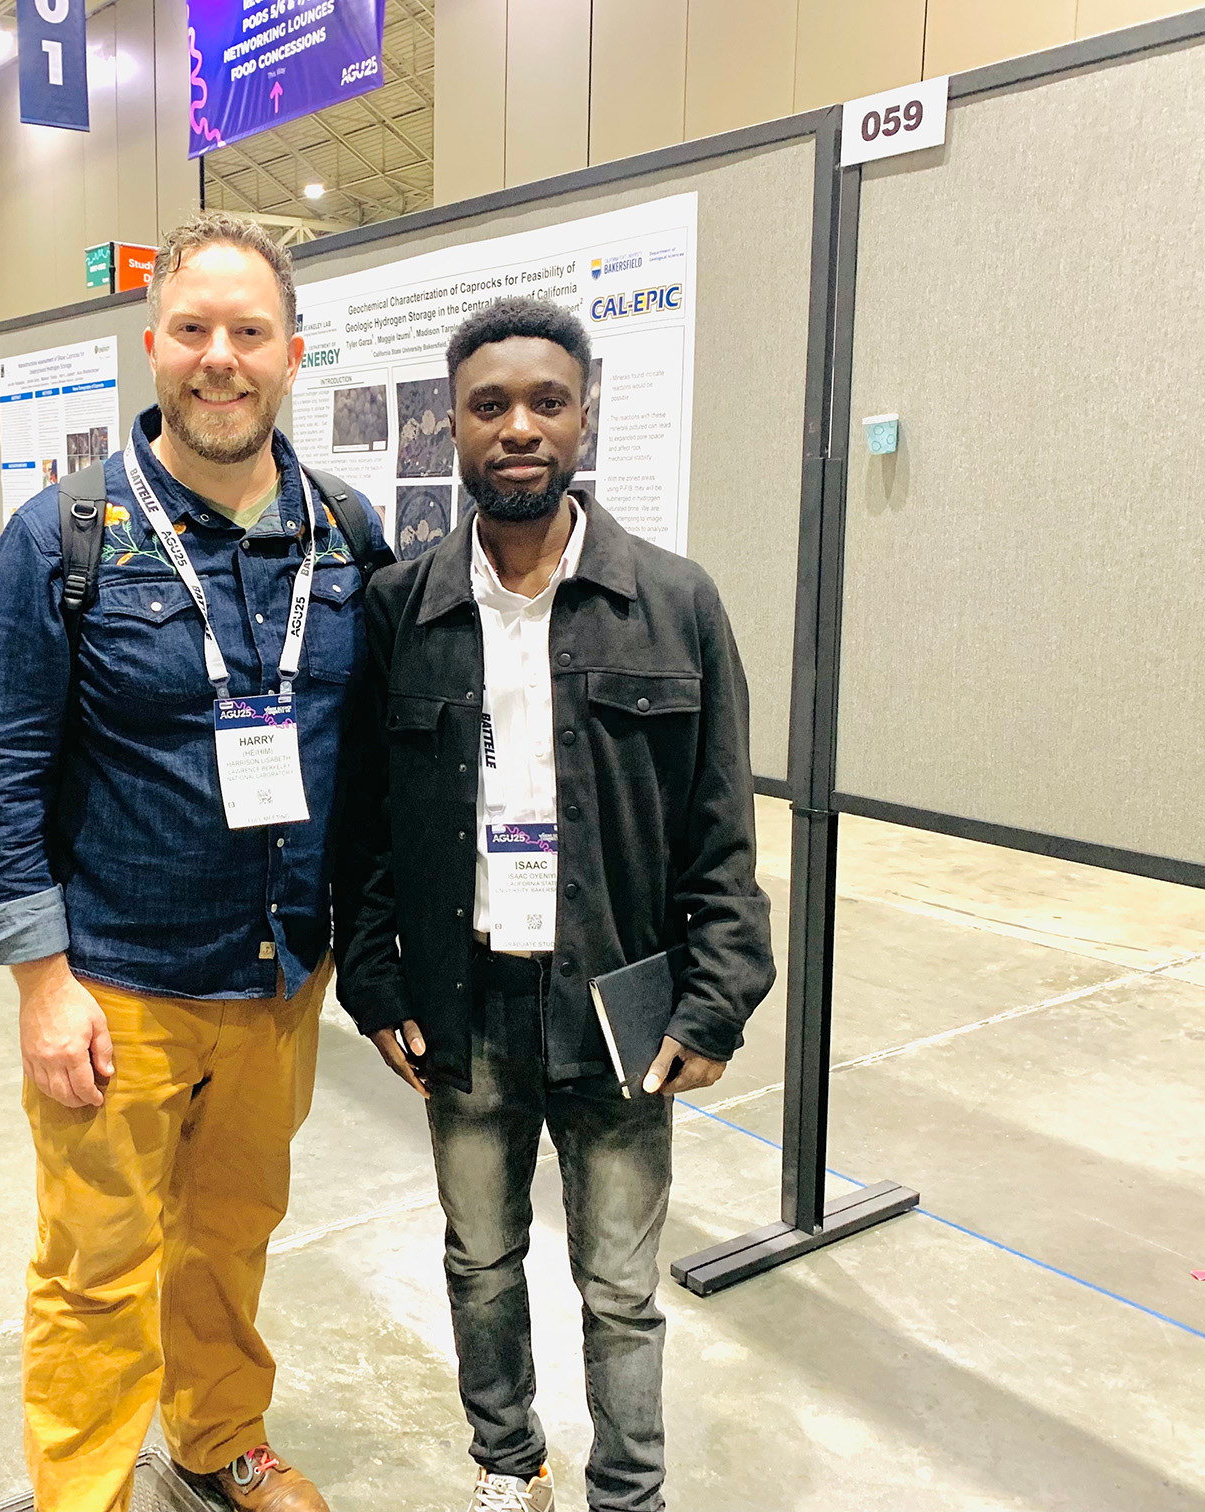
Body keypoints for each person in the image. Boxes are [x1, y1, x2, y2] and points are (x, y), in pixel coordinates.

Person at [0, 211, 385, 1512]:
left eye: (248, 332)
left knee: (232, 1236)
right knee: (96, 1262)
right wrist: (38, 982)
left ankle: (215, 1439)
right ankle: (83, 1491)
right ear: (152, 347)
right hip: (115, 986)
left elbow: (372, 757)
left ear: (291, 353)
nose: (220, 358)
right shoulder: (62, 538)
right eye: (193, 330)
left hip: (277, 979)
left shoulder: (347, 536)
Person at [333, 299, 775, 1512]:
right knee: (481, 1261)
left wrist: (717, 996)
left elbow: (721, 832)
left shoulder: (674, 603)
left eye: (546, 402)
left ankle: (628, 1493)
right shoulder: (401, 609)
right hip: (461, 1005)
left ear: (584, 417)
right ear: (456, 429)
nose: (519, 428)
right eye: (490, 406)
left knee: (622, 1286)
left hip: (619, 1007)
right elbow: (361, 831)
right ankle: (508, 1465)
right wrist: (375, 981)